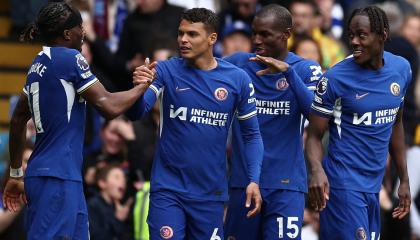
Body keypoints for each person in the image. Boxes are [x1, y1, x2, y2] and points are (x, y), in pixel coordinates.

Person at [2, 2, 152, 239]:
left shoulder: (38, 63)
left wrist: (16, 173)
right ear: (67, 33)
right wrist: (142, 87)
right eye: (80, 27)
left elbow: (19, 118)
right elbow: (108, 106)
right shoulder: (71, 57)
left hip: (57, 175)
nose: (84, 33)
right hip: (57, 177)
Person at [129, 8, 264, 240]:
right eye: (180, 33)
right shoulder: (165, 70)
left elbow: (252, 135)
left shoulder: (237, 79)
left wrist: (254, 179)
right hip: (168, 191)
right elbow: (137, 112)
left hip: (210, 195)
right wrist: (138, 88)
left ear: (212, 38)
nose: (183, 39)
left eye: (192, 34)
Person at [306, 6, 411, 240]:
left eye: (361, 35)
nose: (354, 41)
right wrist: (316, 170)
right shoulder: (335, 78)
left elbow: (396, 124)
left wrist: (403, 180)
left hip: (373, 187)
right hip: (342, 187)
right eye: (351, 34)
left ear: (383, 35)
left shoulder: (401, 70)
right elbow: (313, 136)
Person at [223, 4, 322, 240]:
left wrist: (288, 73)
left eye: (265, 34)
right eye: (254, 33)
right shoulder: (238, 63)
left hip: (285, 185)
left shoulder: (306, 69)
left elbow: (317, 117)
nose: (257, 40)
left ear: (286, 34)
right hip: (243, 182)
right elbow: (202, 69)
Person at [88, 164, 133, 240]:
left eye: (124, 178)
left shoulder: (121, 207)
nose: (123, 181)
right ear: (102, 183)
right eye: (117, 177)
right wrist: (118, 220)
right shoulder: (93, 205)